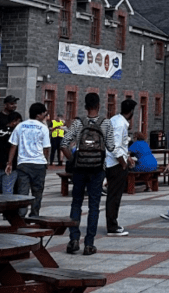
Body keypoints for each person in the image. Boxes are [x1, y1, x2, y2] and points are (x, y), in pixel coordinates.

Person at [62, 92, 115, 256]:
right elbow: (112, 147)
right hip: (97, 169)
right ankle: (89, 244)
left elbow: (64, 143)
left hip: (80, 169)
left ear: (85, 106)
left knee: (76, 203)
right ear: (99, 106)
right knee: (94, 206)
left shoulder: (78, 123)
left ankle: (73, 240)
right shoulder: (105, 123)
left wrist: (73, 159)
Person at [6, 102, 51, 217]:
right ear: (38, 115)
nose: (45, 117)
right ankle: (34, 214)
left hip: (23, 164)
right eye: (44, 114)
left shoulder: (20, 126)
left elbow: (13, 146)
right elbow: (46, 148)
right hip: (39, 164)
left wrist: (10, 162)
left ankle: (21, 215)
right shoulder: (43, 128)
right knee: (37, 191)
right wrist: (46, 161)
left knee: (22, 191)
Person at [104, 98, 136, 236]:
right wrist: (123, 163)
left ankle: (113, 223)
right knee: (114, 195)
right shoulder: (120, 125)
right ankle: (112, 225)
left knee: (114, 194)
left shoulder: (115, 119)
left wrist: (127, 157)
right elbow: (115, 147)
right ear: (131, 112)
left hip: (114, 161)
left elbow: (120, 145)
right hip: (115, 164)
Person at [0, 111, 22, 194]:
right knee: (8, 189)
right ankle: (6, 206)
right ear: (15, 121)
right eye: (19, 121)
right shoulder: (16, 133)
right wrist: (9, 163)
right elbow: (14, 147)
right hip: (10, 165)